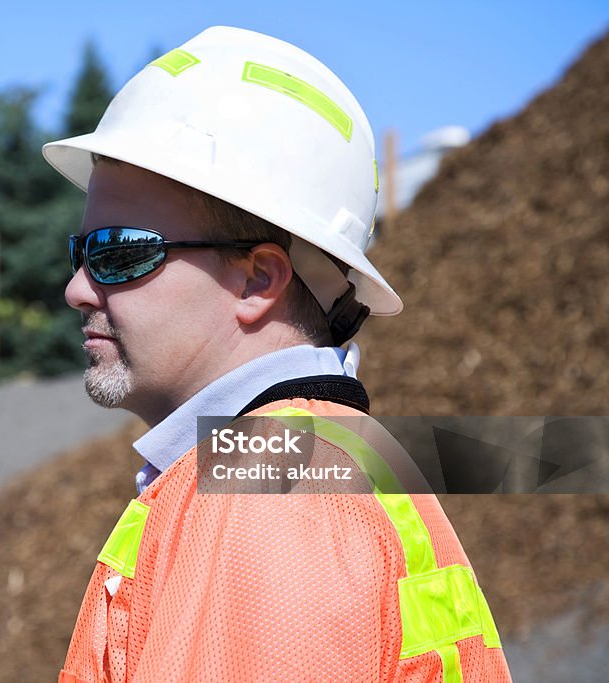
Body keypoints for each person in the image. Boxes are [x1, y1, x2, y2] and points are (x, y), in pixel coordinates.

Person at [42, 26, 512, 682]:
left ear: (259, 280)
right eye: (81, 253)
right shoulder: (310, 459)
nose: (75, 288)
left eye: (119, 252)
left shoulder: (268, 490)